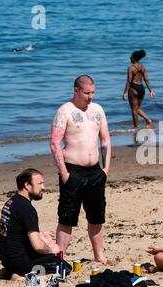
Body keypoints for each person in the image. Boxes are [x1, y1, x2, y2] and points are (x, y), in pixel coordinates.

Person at [50, 75, 112, 264]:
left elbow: (105, 140)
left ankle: (99, 255)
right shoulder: (65, 111)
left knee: (96, 216)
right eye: (86, 93)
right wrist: (64, 173)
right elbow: (54, 143)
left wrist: (106, 168)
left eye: (93, 92)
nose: (90, 97)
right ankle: (60, 256)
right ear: (76, 90)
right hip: (72, 171)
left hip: (95, 171)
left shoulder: (97, 109)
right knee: (67, 217)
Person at [0, 169, 62, 281]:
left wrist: (40, 235)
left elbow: (15, 232)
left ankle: (11, 271)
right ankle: (19, 275)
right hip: (19, 261)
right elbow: (38, 247)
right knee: (62, 265)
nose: (43, 187)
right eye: (40, 183)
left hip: (6, 259)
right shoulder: (27, 209)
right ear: (27, 185)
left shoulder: (11, 202)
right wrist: (52, 249)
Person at [122, 50, 155, 129]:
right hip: (141, 89)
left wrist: (125, 93)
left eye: (131, 56)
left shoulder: (131, 68)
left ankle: (136, 127)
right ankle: (148, 120)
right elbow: (146, 80)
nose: (130, 57)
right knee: (136, 108)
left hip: (134, 88)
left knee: (134, 110)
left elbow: (129, 81)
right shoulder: (142, 67)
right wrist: (151, 90)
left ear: (134, 58)